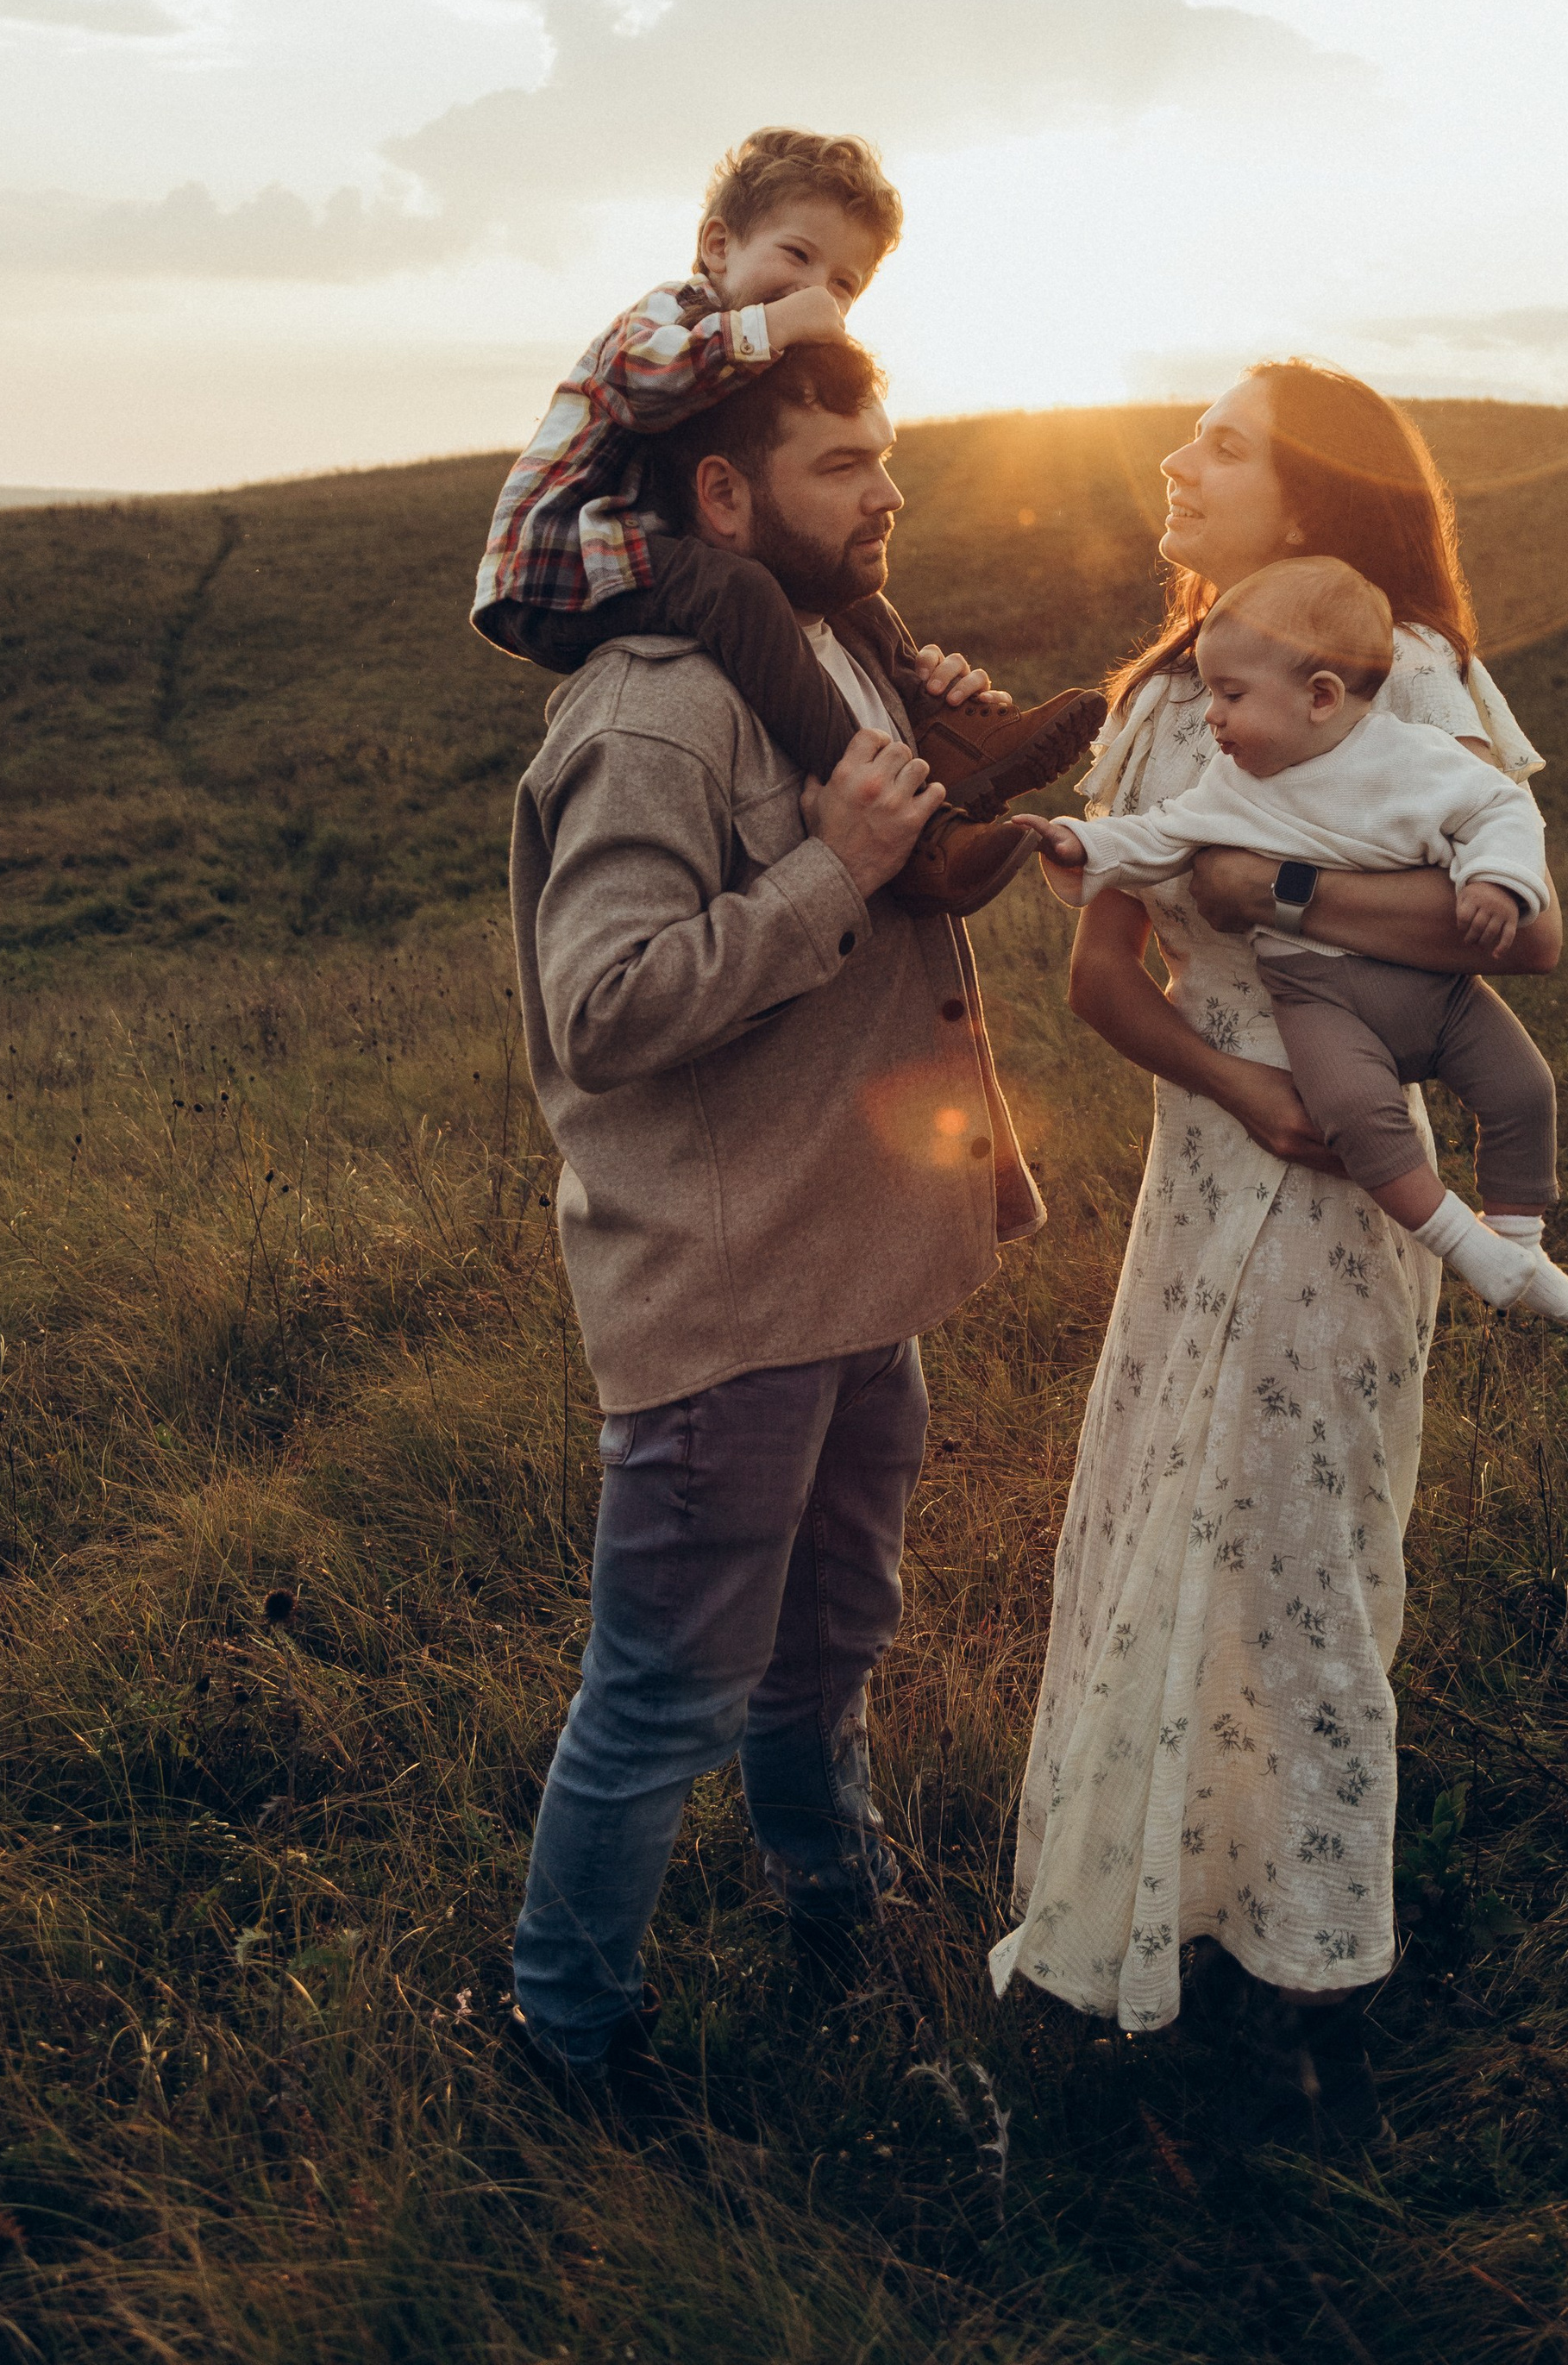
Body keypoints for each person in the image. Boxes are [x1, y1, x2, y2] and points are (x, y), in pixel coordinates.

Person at [988, 358, 1563, 2126]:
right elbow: (1098, 973)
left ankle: (1320, 1979)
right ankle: (1154, 1929)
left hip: (1350, 1203)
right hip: (1214, 1172)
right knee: (1167, 1530)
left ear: (1307, 502)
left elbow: (1515, 933)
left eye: (1220, 445)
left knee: (1309, 1562)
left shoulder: (1420, 687)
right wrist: (1232, 1089)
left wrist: (1285, 896)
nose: (1173, 457)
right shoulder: (1170, 703)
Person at [505, 330, 1045, 2107]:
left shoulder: (830, 662)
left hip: (851, 1269)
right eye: (840, 466)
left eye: (886, 456)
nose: (888, 492)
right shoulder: (652, 716)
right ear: (722, 494)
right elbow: (602, 1008)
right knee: (662, 1692)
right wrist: (837, 868)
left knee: (829, 1639)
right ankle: (565, 2036)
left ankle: (836, 1896)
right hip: (730, 1300)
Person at [472, 124, 1103, 914]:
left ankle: (947, 731)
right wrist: (771, 329)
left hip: (629, 545)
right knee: (738, 594)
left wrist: (908, 678)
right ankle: (909, 824)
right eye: (797, 257)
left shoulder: (747, 358)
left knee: (831, 567)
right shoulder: (669, 316)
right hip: (558, 564)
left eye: (843, 285)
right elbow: (644, 380)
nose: (817, 296)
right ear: (717, 245)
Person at [1016, 552, 1568, 1327]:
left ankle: (1521, 1236)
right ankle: (1467, 1244)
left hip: (1436, 991)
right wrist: (1083, 846)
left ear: (1321, 697)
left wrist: (1495, 880)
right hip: (1317, 995)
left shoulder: (1411, 757)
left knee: (1524, 1088)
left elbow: (1498, 813)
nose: (1211, 716)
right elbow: (1156, 837)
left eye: (1231, 696)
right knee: (1355, 1116)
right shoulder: (1231, 788)